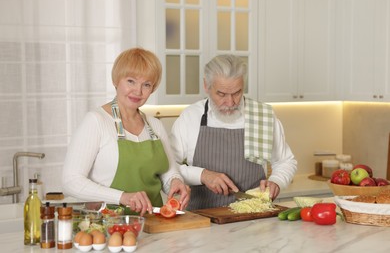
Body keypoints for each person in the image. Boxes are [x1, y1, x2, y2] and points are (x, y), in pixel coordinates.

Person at [62, 47, 190, 216]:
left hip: (153, 223)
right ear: (116, 80)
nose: (138, 91)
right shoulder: (96, 121)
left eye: (146, 84)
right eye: (131, 81)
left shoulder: (154, 126)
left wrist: (176, 182)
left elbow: (168, 173)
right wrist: (122, 197)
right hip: (108, 225)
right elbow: (70, 181)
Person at [170, 54, 297, 210]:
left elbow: (285, 161)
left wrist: (277, 180)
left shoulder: (262, 115)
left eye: (237, 93)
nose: (230, 103)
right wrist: (203, 175)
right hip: (201, 220)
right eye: (221, 94)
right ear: (206, 86)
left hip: (253, 220)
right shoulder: (190, 117)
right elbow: (169, 167)